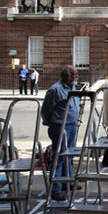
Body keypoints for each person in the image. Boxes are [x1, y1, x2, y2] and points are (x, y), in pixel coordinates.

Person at [41, 65, 80, 201]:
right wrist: (50, 122)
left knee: (68, 156)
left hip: (71, 126)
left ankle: (66, 182)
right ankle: (55, 189)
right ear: (64, 76)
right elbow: (46, 110)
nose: (75, 77)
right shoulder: (55, 90)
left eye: (76, 74)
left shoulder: (72, 87)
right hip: (59, 127)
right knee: (59, 157)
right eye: (73, 74)